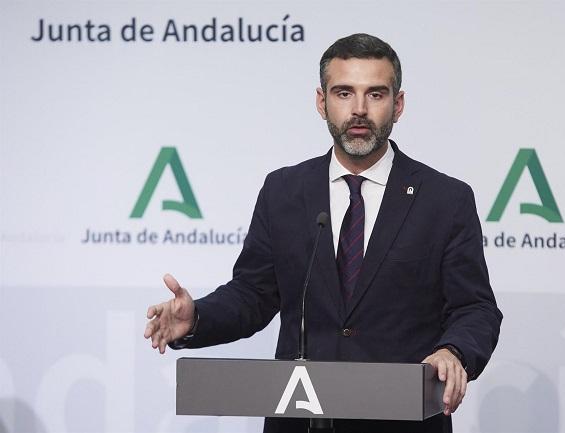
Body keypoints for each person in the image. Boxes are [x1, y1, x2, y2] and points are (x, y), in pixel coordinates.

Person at [144, 33, 502, 433]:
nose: (360, 110)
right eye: (344, 93)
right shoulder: (284, 190)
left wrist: (453, 351)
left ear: (398, 105)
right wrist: (197, 318)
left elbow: (475, 308)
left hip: (402, 424)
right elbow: (255, 293)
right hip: (301, 422)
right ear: (322, 102)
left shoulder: (444, 199)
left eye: (376, 95)